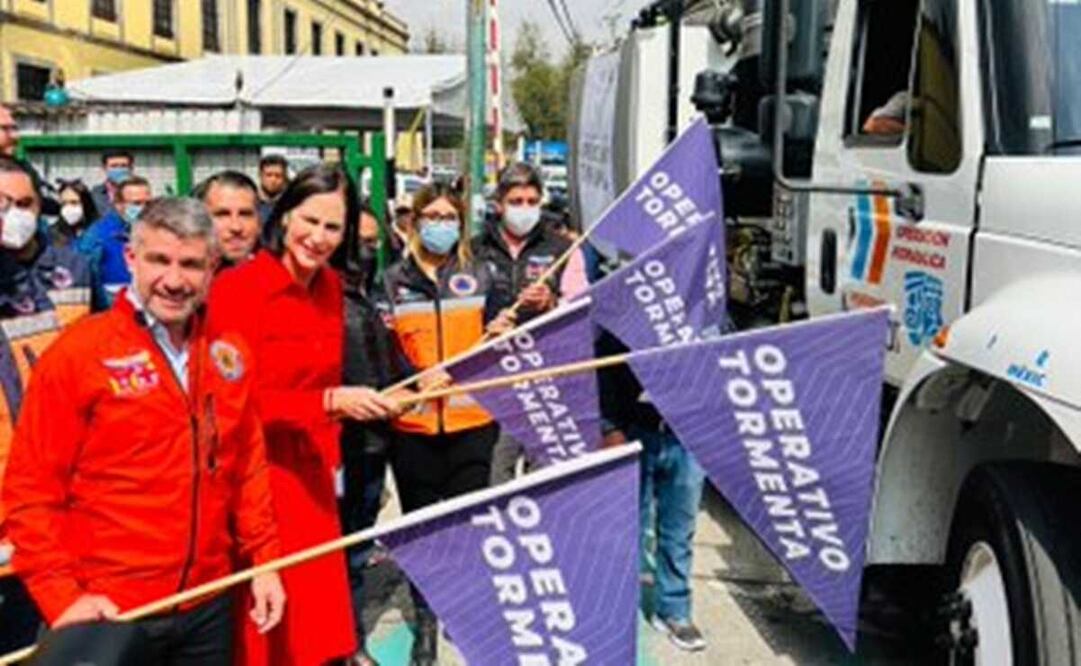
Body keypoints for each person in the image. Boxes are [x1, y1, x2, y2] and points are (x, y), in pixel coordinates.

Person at [2, 197, 287, 664]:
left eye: (192, 264)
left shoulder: (226, 352)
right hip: (109, 609)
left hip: (208, 601)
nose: (174, 281)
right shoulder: (81, 354)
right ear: (132, 259)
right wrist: (61, 598)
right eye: (159, 260)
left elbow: (247, 464)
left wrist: (265, 561)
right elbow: (31, 491)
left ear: (213, 267)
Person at [207, 164, 402, 666]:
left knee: (317, 633)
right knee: (265, 632)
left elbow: (333, 379)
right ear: (285, 215)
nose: (317, 238)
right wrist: (328, 402)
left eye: (332, 227)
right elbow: (231, 404)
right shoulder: (238, 289)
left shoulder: (333, 289)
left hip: (315, 478)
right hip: (256, 480)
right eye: (308, 221)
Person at [380, 183, 510, 666]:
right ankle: (425, 627)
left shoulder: (480, 273)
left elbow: (506, 341)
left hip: (472, 422)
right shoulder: (392, 280)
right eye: (431, 215)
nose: (441, 224)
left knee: (462, 531)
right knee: (421, 533)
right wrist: (414, 380)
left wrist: (503, 329)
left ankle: (461, 613)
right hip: (412, 428)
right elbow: (382, 351)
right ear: (414, 222)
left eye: (449, 216)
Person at [0, 157, 92, 653]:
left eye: (25, 204)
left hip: (60, 488)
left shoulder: (71, 268)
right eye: (2, 205)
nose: (14, 215)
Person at [472, 163, 590, 485]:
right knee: (496, 477)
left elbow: (580, 315)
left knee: (544, 481)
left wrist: (551, 304)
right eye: (516, 201)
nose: (524, 209)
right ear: (499, 203)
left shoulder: (563, 250)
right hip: (493, 383)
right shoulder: (475, 250)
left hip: (545, 381)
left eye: (531, 201)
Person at [598, 329, 708, 653]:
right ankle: (616, 610)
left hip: (687, 438)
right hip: (636, 432)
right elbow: (603, 370)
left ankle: (674, 610)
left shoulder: (709, 317)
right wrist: (611, 429)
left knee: (679, 528)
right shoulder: (628, 315)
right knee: (626, 525)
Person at [336, 201, 409, 666]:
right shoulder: (319, 298)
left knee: (359, 549)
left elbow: (396, 364)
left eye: (370, 242)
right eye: (355, 241)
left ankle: (350, 640)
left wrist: (419, 380)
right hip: (333, 450)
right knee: (334, 553)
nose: (363, 250)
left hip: (374, 445)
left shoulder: (374, 293)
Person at [78, 175, 152, 309]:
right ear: (119, 205)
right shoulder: (98, 237)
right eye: (136, 203)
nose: (145, 209)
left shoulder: (157, 233)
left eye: (148, 203)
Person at [193, 170, 262, 268]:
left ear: (259, 224)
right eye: (222, 214)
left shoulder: (277, 278)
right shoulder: (176, 278)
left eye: (245, 214)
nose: (236, 227)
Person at [52, 179, 99, 248]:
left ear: (85, 204)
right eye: (64, 203)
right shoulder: (53, 235)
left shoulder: (100, 231)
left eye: (74, 202)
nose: (68, 208)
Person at [89, 150, 135, 217]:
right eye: (114, 166)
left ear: (131, 168)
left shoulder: (141, 192)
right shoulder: (95, 195)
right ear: (104, 168)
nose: (119, 169)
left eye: (123, 166)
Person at [257, 155, 289, 224]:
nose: (273, 180)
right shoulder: (250, 201)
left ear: (285, 177)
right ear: (260, 175)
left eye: (278, 175)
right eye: (269, 175)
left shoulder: (291, 204)